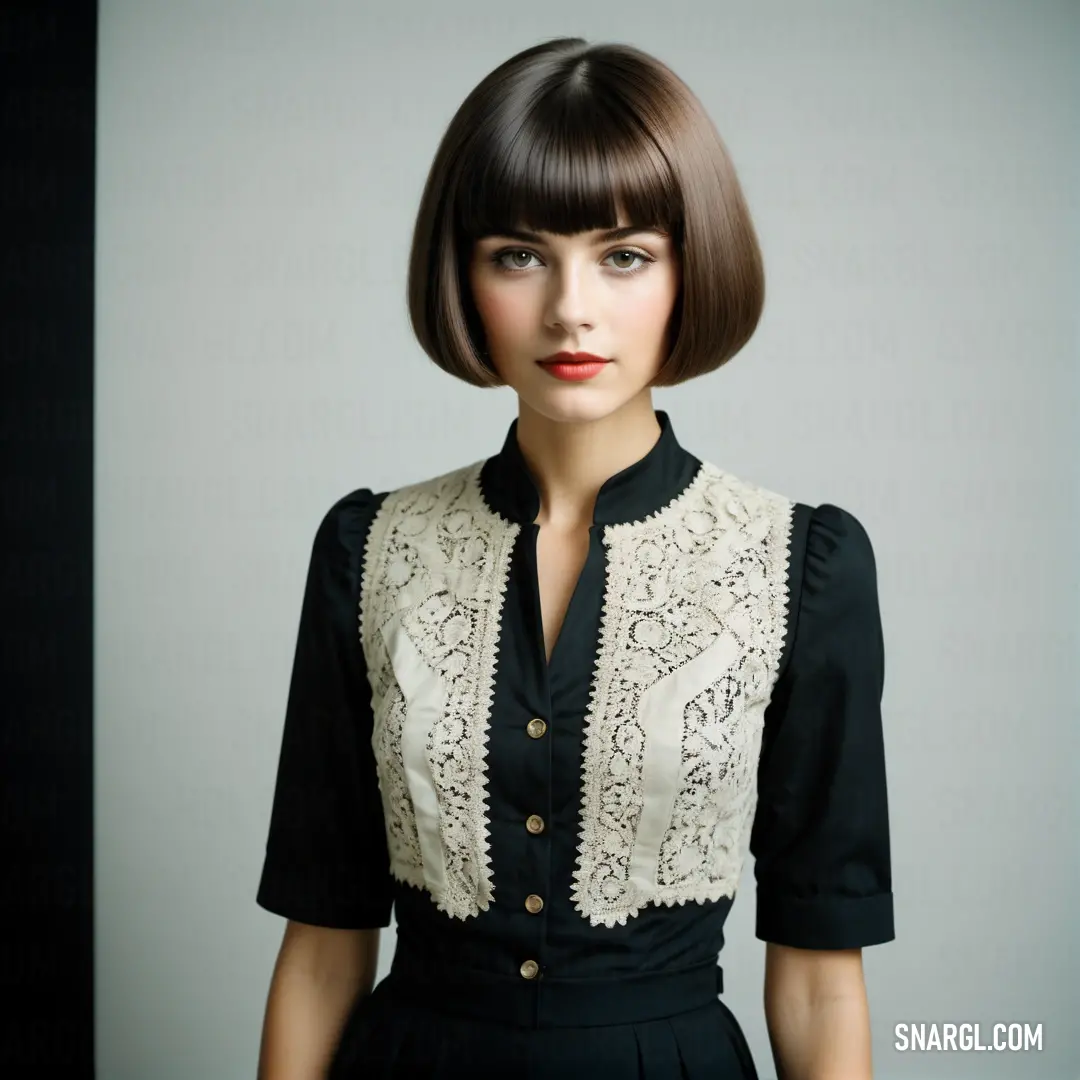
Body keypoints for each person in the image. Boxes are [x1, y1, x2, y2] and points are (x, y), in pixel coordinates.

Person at [254, 36, 894, 1080]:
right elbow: (324, 949)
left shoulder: (799, 564)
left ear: (692, 265)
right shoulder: (369, 552)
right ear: (463, 271)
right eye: (519, 253)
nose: (570, 308)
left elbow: (822, 977)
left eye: (624, 254)